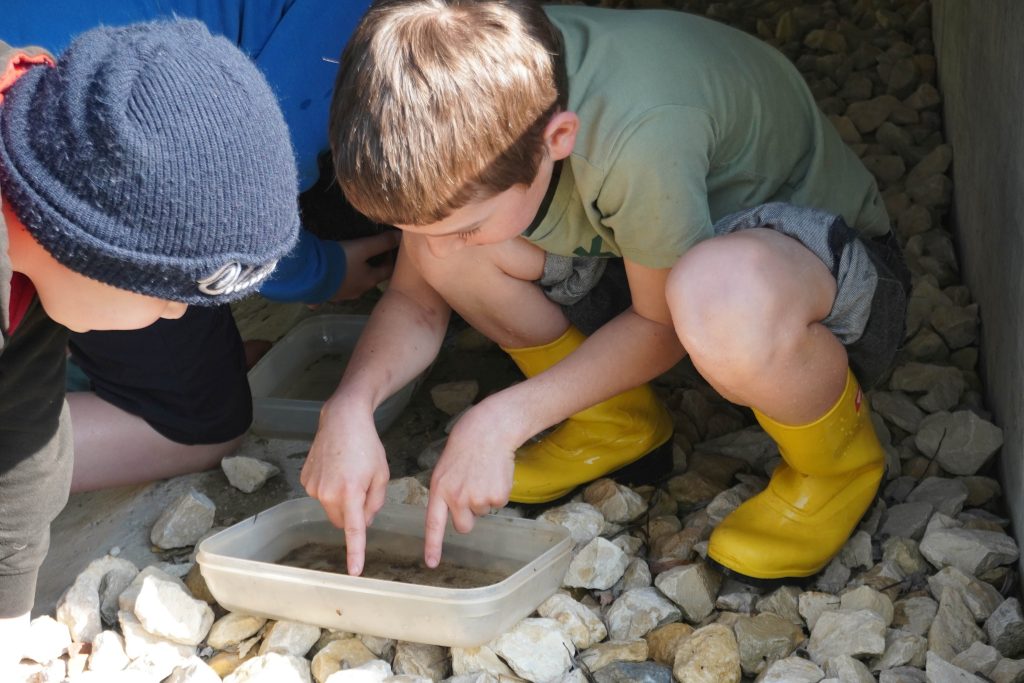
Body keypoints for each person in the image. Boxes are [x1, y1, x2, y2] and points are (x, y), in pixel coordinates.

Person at [303, 0, 911, 584]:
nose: (440, 244)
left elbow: (662, 323)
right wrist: (349, 407)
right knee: (449, 252)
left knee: (715, 293)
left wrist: (503, 418)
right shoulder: (479, 95)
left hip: (808, 281)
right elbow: (414, 298)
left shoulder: (637, 131)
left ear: (557, 138)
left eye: (465, 224)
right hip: (649, 257)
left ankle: (837, 465)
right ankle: (613, 423)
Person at [0, 20, 301, 668]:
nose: (175, 314)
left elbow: (21, 438)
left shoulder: (46, 164)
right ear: (90, 246)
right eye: (168, 294)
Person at [5, 1, 394, 492]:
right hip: (103, 144)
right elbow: (271, 147)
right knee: (199, 422)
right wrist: (317, 270)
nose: (177, 309)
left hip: (61, 104)